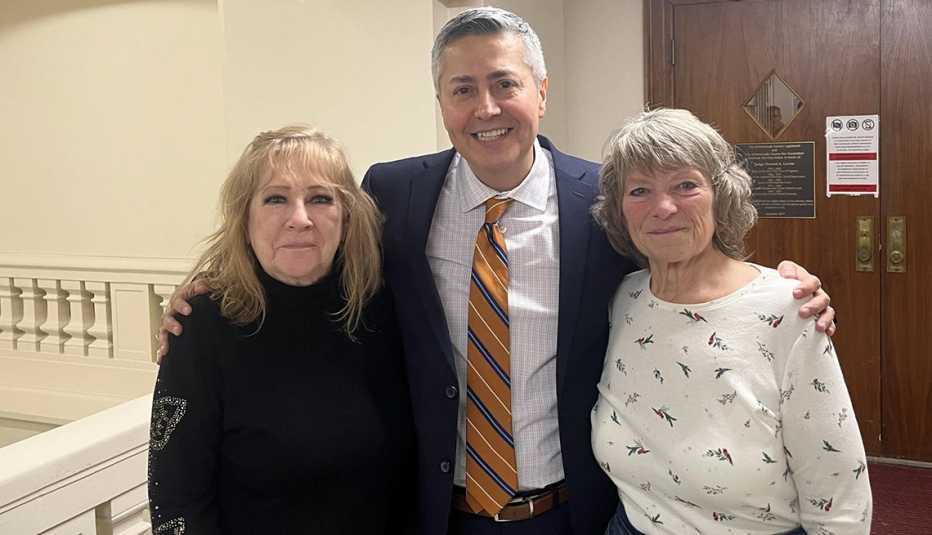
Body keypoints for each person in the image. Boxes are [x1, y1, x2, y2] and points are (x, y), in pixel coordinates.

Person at [157, 8, 835, 535]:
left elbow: (686, 256)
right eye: (463, 89)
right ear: (441, 103)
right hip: (437, 511)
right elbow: (313, 255)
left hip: (572, 511)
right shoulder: (394, 194)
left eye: (504, 84)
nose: (485, 108)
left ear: (541, 91)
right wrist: (208, 294)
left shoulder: (601, 203)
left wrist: (778, 286)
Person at [590, 108, 870, 535]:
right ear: (620, 210)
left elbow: (838, 489)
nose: (663, 207)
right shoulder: (622, 299)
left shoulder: (787, 308)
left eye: (686, 185)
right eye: (640, 190)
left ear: (721, 197)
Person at [147, 126, 413, 534]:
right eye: (276, 199)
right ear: (245, 217)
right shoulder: (204, 322)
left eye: (320, 198)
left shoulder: (383, 307)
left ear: (346, 215)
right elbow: (177, 498)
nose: (300, 219)